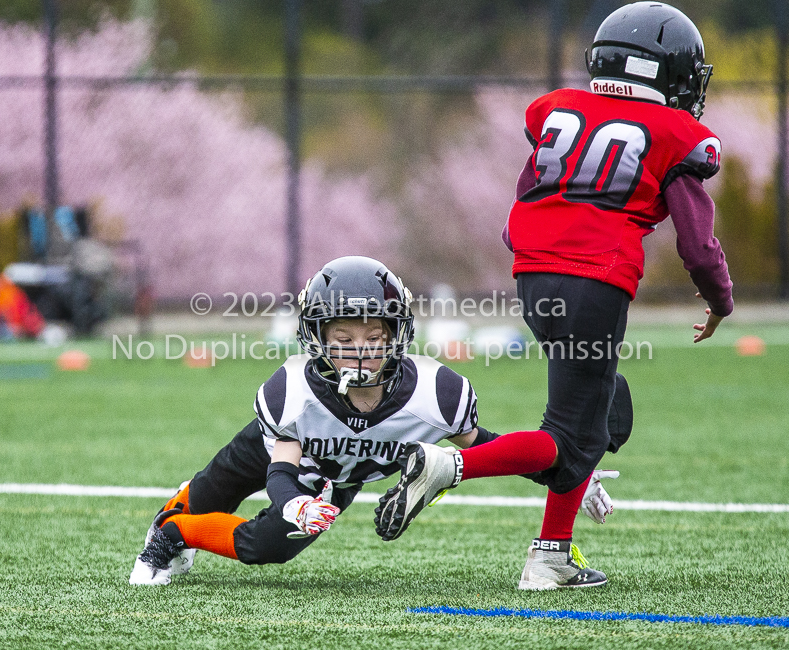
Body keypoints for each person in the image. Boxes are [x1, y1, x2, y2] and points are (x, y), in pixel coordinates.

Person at [375, 2, 733, 590]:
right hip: (595, 283)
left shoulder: (561, 111)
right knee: (572, 439)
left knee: (599, 411)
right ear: (664, 73)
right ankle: (452, 467)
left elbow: (521, 207)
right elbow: (698, 245)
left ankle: (551, 556)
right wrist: (720, 300)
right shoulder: (675, 134)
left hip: (534, 281)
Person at [129, 255, 619, 586]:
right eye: (342, 334)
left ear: (397, 333)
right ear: (316, 336)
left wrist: (570, 473)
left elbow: (485, 446)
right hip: (281, 449)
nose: (359, 349)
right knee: (213, 492)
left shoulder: (434, 393)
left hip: (337, 478)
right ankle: (171, 524)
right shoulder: (294, 390)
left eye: (372, 333)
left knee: (269, 546)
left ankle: (181, 533)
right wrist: (292, 502)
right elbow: (281, 465)